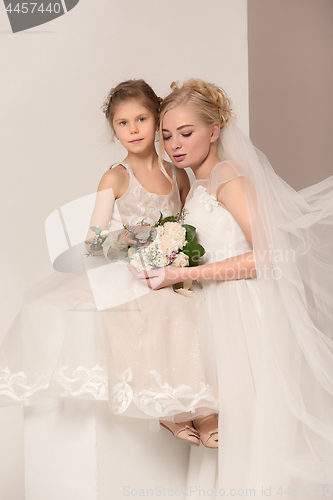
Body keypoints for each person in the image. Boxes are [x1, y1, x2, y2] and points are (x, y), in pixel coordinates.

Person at [130, 79, 333, 495]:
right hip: (213, 315)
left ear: (216, 128)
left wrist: (183, 275)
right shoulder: (195, 185)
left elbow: (267, 256)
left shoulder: (228, 178)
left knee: (252, 420)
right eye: (167, 136)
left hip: (244, 315)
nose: (174, 145)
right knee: (225, 425)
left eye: (186, 133)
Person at [0, 79, 219, 448]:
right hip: (126, 267)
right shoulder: (116, 176)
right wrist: (134, 235)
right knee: (158, 309)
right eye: (122, 123)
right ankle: (171, 410)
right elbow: (93, 241)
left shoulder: (177, 173)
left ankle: (201, 407)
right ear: (113, 129)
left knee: (190, 307)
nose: (133, 130)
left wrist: (176, 251)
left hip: (166, 268)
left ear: (157, 120)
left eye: (142, 119)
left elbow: (183, 223)